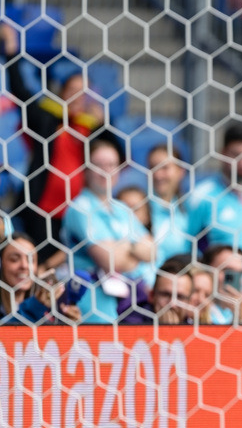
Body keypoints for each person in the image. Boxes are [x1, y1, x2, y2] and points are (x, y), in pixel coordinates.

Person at [0, 23, 103, 261]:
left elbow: (119, 156)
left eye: (83, 91)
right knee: (35, 263)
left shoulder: (93, 129)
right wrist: (12, 50)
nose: (78, 96)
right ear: (62, 92)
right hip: (41, 210)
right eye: (73, 90)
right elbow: (21, 93)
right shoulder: (47, 120)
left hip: (78, 214)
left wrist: (104, 124)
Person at [61, 134, 156, 324]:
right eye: (99, 165)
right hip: (92, 308)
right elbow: (110, 260)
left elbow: (152, 251)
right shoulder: (80, 208)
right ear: (86, 169)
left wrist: (120, 248)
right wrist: (132, 246)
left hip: (129, 305)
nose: (106, 171)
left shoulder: (121, 208)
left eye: (112, 165)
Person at [188, 122, 242, 324]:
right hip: (217, 311)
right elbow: (188, 253)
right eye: (237, 154)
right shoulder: (203, 197)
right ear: (222, 153)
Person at [0, 232, 81, 325]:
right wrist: (34, 307)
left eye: (31, 260)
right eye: (14, 259)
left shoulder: (47, 313)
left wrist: (66, 324)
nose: (24, 265)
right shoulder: (37, 306)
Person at [148, 145, 194, 269]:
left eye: (164, 168)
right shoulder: (139, 211)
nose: (158, 175)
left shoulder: (191, 211)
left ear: (181, 171)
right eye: (153, 168)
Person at [121, 256, 194, 325]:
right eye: (166, 295)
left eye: (180, 297)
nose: (172, 304)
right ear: (151, 295)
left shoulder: (195, 326)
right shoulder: (131, 324)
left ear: (190, 302)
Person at [200, 244, 242, 325]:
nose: (234, 279)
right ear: (206, 270)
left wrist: (241, 319)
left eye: (240, 274)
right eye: (228, 271)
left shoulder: (240, 314)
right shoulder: (192, 311)